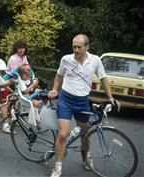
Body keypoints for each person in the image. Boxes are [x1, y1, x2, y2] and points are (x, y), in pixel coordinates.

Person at [48, 34, 120, 177]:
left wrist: (110, 97)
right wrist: (55, 89)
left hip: (82, 101)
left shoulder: (95, 60)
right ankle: (57, 167)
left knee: (85, 133)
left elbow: (103, 78)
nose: (76, 49)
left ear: (87, 47)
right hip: (65, 99)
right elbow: (59, 75)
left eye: (79, 47)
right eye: (74, 46)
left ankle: (86, 158)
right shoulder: (66, 59)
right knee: (63, 134)